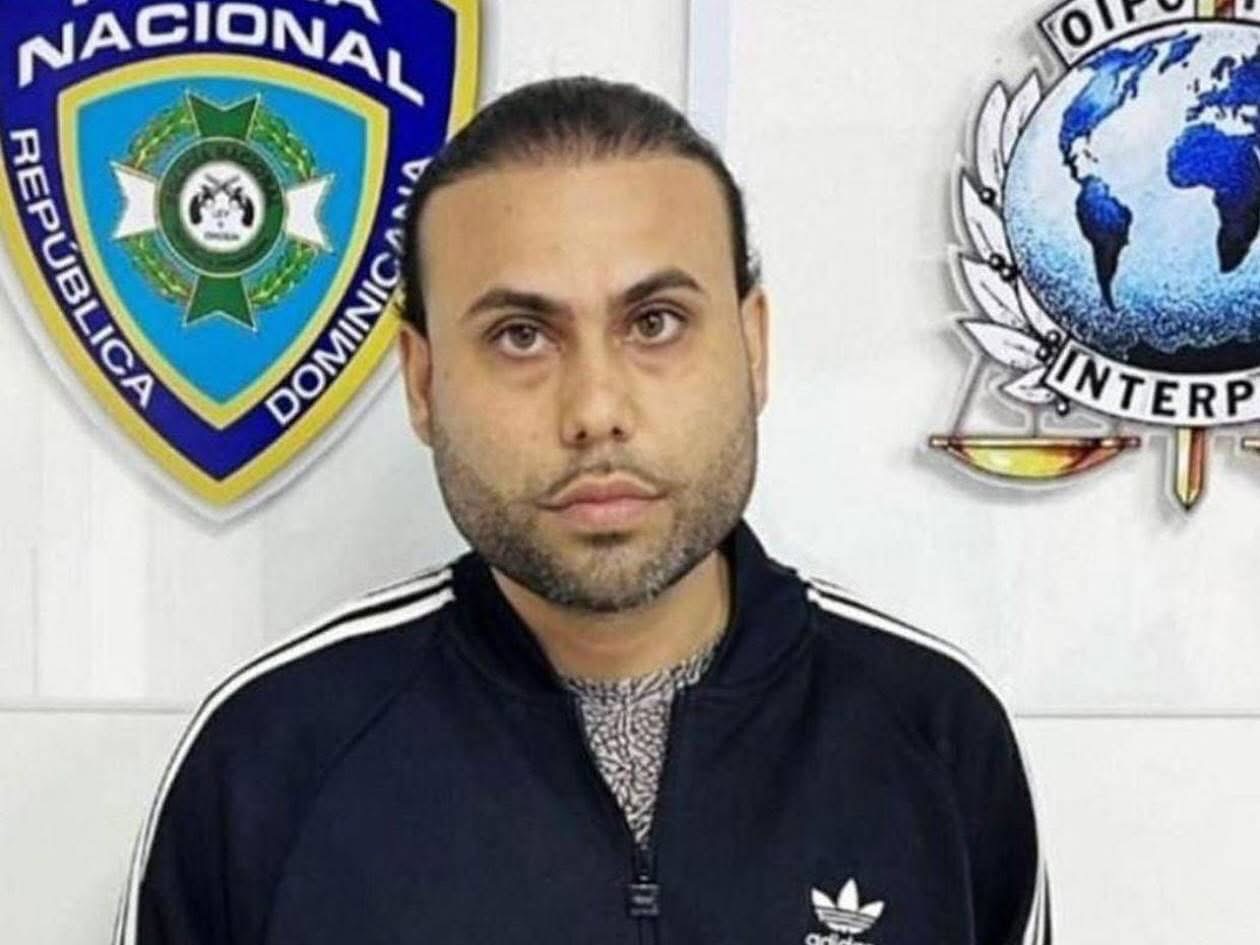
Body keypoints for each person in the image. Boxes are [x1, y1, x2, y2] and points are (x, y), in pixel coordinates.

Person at [113, 76, 1051, 945]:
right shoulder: (266, 762)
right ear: (424, 382)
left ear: (753, 346)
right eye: (521, 335)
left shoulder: (936, 738)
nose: (596, 409)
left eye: (655, 323)